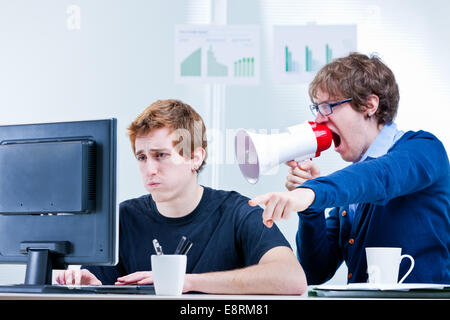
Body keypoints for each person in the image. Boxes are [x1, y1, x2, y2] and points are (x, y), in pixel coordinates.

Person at [56, 99, 307, 294]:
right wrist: (93, 288)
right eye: (142, 157)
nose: (149, 169)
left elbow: (292, 279)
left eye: (161, 155)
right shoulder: (122, 219)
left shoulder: (238, 212)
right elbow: (103, 287)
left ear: (195, 158)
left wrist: (184, 282)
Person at [249, 52, 450, 285]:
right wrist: (311, 207)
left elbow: (382, 177)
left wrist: (313, 191)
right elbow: (315, 271)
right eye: (317, 108)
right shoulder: (351, 192)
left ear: (369, 105)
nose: (319, 120)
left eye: (328, 107)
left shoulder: (424, 149)